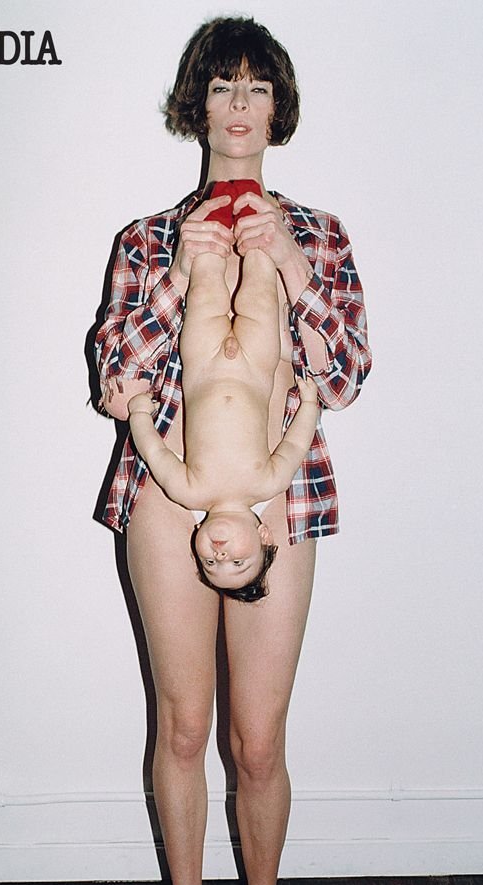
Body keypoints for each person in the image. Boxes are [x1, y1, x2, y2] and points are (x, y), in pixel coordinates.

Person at [95, 16, 371, 885]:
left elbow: (346, 377)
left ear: (277, 108)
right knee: (182, 727)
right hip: (164, 491)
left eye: (257, 87)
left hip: (275, 495)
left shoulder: (321, 232)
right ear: (198, 106)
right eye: (223, 87)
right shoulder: (145, 238)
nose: (240, 105)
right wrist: (179, 274)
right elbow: (115, 380)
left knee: (257, 739)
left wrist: (291, 264)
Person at [127, 182, 320, 601]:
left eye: (210, 564)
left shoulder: (188, 491)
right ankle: (253, 216)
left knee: (206, 288)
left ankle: (215, 221)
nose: (220, 555)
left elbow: (154, 452)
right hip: (256, 364)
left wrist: (140, 415)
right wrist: (309, 403)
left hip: (202, 363)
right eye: (238, 562)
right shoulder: (267, 484)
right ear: (264, 536)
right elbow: (295, 443)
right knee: (260, 291)